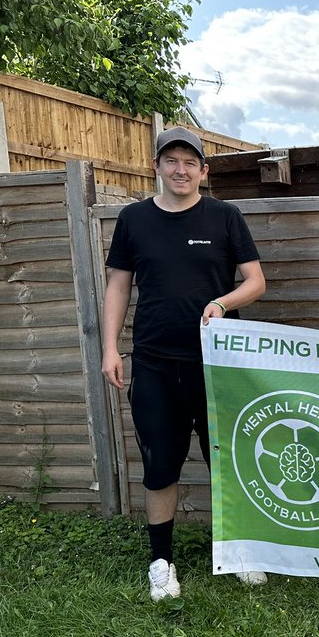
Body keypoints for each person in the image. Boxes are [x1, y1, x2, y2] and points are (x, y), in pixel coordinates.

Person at [101, 127, 267, 601]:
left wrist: (221, 301)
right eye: (171, 160)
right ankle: (161, 562)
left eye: (190, 162)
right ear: (156, 166)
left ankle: (238, 551)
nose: (180, 169)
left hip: (217, 366)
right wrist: (110, 348)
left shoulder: (225, 217)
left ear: (204, 172)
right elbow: (118, 285)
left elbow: (256, 282)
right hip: (154, 363)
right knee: (160, 465)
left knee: (227, 460)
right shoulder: (134, 220)